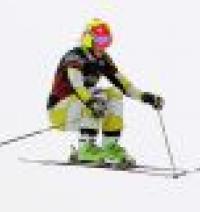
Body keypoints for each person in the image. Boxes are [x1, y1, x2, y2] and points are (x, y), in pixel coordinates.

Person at [46, 19, 165, 167]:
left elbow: (124, 85)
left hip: (82, 108)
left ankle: (109, 147)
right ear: (89, 39)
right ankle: (85, 149)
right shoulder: (74, 57)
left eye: (107, 40)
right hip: (59, 111)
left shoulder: (103, 60)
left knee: (114, 93)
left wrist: (146, 97)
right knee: (98, 96)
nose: (104, 46)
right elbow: (78, 86)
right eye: (100, 40)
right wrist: (92, 103)